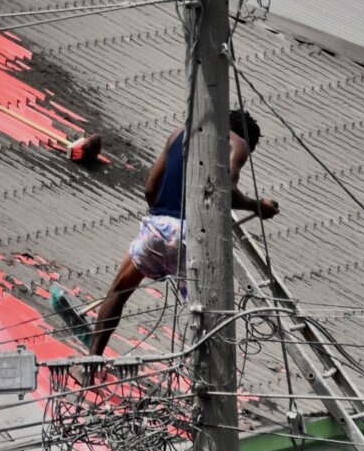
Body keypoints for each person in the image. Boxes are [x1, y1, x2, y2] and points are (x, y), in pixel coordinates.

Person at [88, 112, 278, 359]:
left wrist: (164, 226)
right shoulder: (237, 143)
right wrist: (256, 206)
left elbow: (149, 190)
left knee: (118, 291)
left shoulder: (179, 133)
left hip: (157, 226)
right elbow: (226, 190)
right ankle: (204, 384)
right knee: (207, 317)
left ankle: (90, 363)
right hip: (193, 236)